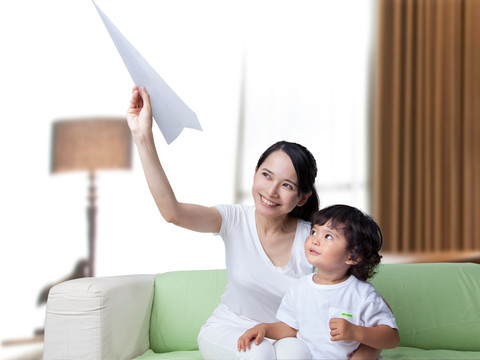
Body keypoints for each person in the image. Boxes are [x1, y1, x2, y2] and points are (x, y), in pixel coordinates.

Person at [127, 85, 383, 359]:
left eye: (286, 184)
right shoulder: (233, 220)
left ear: (301, 198)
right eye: (266, 175)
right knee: (257, 353)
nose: (271, 191)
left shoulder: (315, 241)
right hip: (229, 329)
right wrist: (143, 136)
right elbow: (172, 212)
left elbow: (361, 303)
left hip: (286, 334)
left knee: (296, 354)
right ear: (255, 174)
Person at [237, 204, 400, 359]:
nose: (315, 240)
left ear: (353, 256)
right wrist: (265, 328)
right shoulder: (300, 288)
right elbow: (292, 328)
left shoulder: (362, 294)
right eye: (314, 232)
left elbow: (392, 338)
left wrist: (356, 332)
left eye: (328, 236)